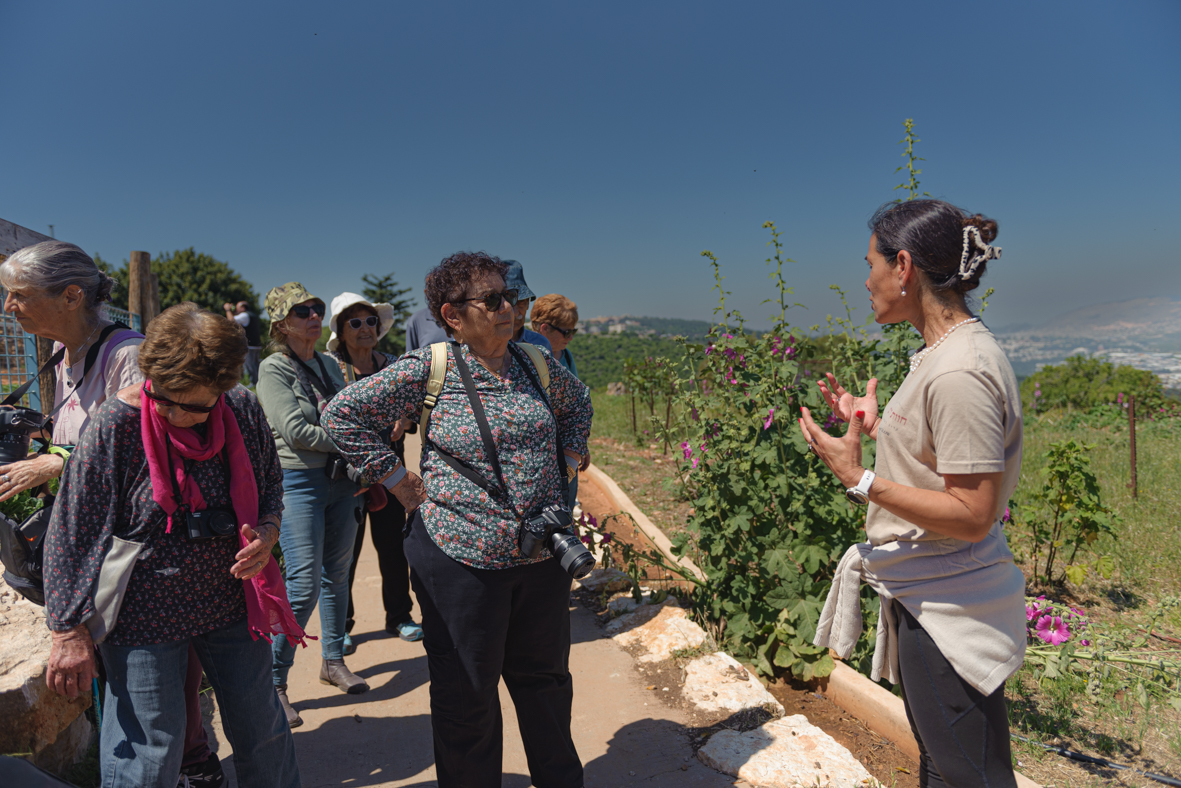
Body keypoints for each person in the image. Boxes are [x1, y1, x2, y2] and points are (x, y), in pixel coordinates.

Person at [321, 251, 593, 788]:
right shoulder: (432, 367)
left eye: (511, 298)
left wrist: (569, 455)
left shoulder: (534, 364)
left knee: (547, 688)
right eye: (491, 300)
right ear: (452, 315)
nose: (508, 308)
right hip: (459, 561)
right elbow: (340, 414)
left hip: (539, 559)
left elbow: (578, 404)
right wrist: (394, 478)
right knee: (466, 698)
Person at [805, 200, 1023, 788]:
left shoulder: (958, 371)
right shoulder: (942, 355)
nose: (864, 278)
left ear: (903, 267)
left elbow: (973, 514)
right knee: (945, 765)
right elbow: (941, 461)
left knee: (966, 776)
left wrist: (860, 478)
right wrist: (881, 430)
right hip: (932, 594)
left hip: (950, 607)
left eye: (870, 263)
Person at [43, 302, 302, 788]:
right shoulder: (114, 427)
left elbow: (269, 483)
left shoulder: (241, 408)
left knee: (261, 728)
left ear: (223, 388)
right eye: (163, 397)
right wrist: (69, 631)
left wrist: (266, 533)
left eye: (190, 403)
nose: (171, 411)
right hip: (145, 613)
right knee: (150, 747)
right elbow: (73, 534)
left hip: (230, 601)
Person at [0, 243, 226, 787]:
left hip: (139, 554)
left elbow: (150, 453)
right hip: (97, 544)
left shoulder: (128, 353)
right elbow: (84, 436)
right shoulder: (64, 354)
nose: (9, 307)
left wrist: (49, 466)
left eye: (19, 295)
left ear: (72, 295)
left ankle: (191, 765)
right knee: (120, 677)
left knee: (155, 676)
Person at [256, 282, 368, 728]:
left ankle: (333, 661)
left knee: (336, 576)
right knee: (302, 584)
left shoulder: (327, 363)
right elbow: (295, 431)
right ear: (282, 324)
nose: (313, 316)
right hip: (299, 481)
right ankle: (274, 682)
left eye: (316, 308)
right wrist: (351, 444)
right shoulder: (273, 369)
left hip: (340, 480)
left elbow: (348, 414)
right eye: (302, 311)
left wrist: (352, 444)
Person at [325, 292, 423, 647]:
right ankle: (342, 625)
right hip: (346, 478)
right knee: (344, 554)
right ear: (341, 330)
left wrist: (405, 419)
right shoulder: (331, 368)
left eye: (371, 321)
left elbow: (415, 404)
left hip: (392, 474)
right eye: (355, 322)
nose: (366, 328)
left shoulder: (394, 364)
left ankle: (399, 617)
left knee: (395, 547)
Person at [530, 294, 590, 507]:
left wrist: (581, 445)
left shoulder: (566, 357)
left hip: (564, 450)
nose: (570, 337)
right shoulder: (524, 356)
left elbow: (576, 405)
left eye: (573, 331)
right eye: (566, 332)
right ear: (544, 329)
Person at [502, 259, 552, 352]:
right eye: (511, 303)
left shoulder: (541, 344)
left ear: (528, 304)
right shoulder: (483, 346)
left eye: (522, 303)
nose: (516, 314)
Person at [223, 300, 263, 385]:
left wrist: (228, 310)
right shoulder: (252, 315)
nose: (236, 309)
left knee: (250, 366)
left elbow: (231, 321)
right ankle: (258, 382)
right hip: (256, 344)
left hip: (250, 345)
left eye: (237, 307)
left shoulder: (244, 315)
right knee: (256, 365)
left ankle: (253, 383)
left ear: (243, 308)